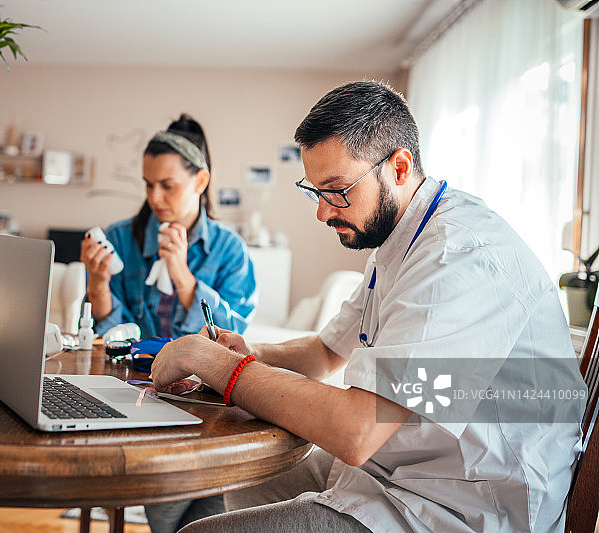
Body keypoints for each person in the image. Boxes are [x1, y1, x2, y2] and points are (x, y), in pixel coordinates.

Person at [150, 81, 587, 533]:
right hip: (404, 469)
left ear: (399, 167)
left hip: (465, 504)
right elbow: (324, 353)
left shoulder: (458, 258)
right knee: (245, 479)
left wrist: (215, 365)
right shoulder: (400, 239)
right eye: (314, 190)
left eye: (337, 190)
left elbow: (357, 432)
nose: (322, 212)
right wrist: (248, 354)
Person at [80, 114, 257, 532]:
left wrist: (182, 276)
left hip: (204, 397)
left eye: (167, 185)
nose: (154, 197)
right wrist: (99, 284)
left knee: (197, 494)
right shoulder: (120, 238)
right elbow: (111, 341)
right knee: (175, 493)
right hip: (134, 389)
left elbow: (233, 336)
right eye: (147, 184)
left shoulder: (230, 250)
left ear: (200, 182)